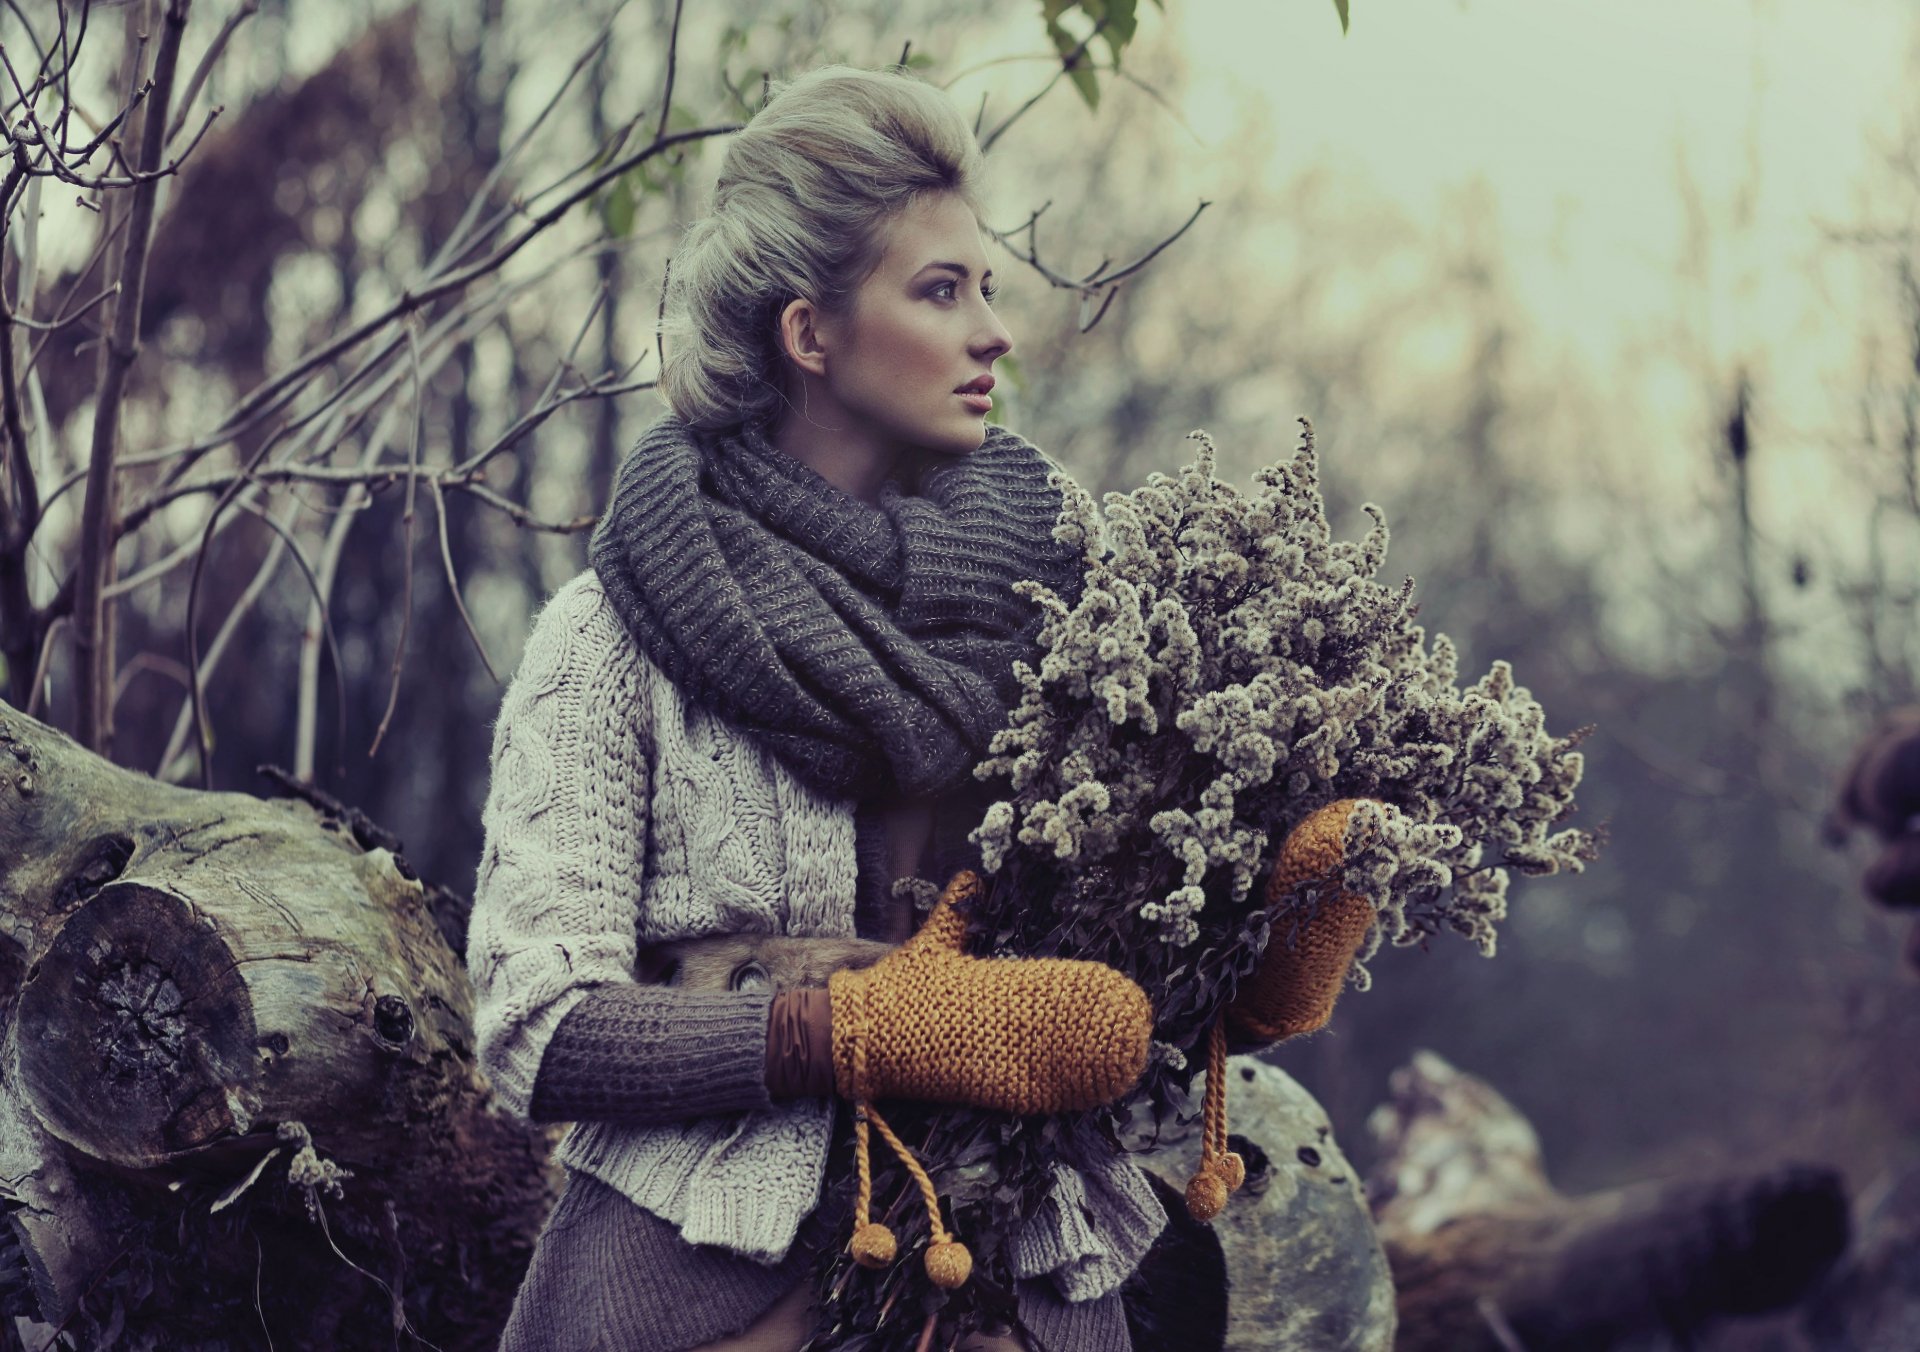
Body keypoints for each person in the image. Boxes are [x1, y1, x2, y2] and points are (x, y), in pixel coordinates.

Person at [466, 63, 1368, 1352]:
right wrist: (838, 1031)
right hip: (705, 1291)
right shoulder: (613, 636)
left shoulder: (1079, 617)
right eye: (942, 291)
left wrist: (1249, 972)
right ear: (810, 334)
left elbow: (1088, 1015)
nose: (994, 333)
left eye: (987, 288)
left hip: (1017, 1286)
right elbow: (533, 1033)